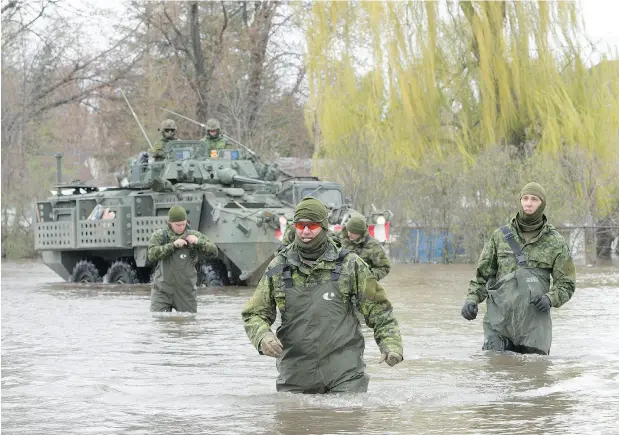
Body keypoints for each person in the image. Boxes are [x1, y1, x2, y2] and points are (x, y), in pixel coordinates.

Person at [242, 196, 403, 394]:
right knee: (294, 422)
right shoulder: (278, 267)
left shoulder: (350, 264)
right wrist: (262, 337)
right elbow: (253, 314)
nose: (306, 231)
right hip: (296, 376)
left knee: (345, 421)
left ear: (324, 227)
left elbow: (380, 311)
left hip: (345, 376)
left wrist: (391, 344)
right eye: (301, 225)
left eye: (312, 225)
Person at [460, 182, 576, 355]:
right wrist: (471, 301)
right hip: (499, 323)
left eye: (534, 199)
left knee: (533, 374)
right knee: (496, 371)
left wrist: (550, 299)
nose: (529, 203)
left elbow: (567, 284)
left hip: (534, 325)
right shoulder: (500, 236)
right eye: (525, 198)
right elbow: (482, 277)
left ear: (542, 203)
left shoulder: (556, 242)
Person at [148, 206, 218, 313]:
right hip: (162, 291)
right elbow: (151, 255)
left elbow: (214, 251)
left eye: (183, 224)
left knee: (188, 324)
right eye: (177, 225)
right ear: (170, 223)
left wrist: (198, 242)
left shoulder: (193, 235)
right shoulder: (161, 236)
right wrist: (173, 246)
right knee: (159, 321)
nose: (181, 227)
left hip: (186, 292)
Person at [338, 214, 391, 281]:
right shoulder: (340, 236)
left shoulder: (373, 246)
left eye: (354, 233)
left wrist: (366, 278)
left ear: (361, 233)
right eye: (349, 231)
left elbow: (384, 268)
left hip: (360, 285)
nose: (349, 234)